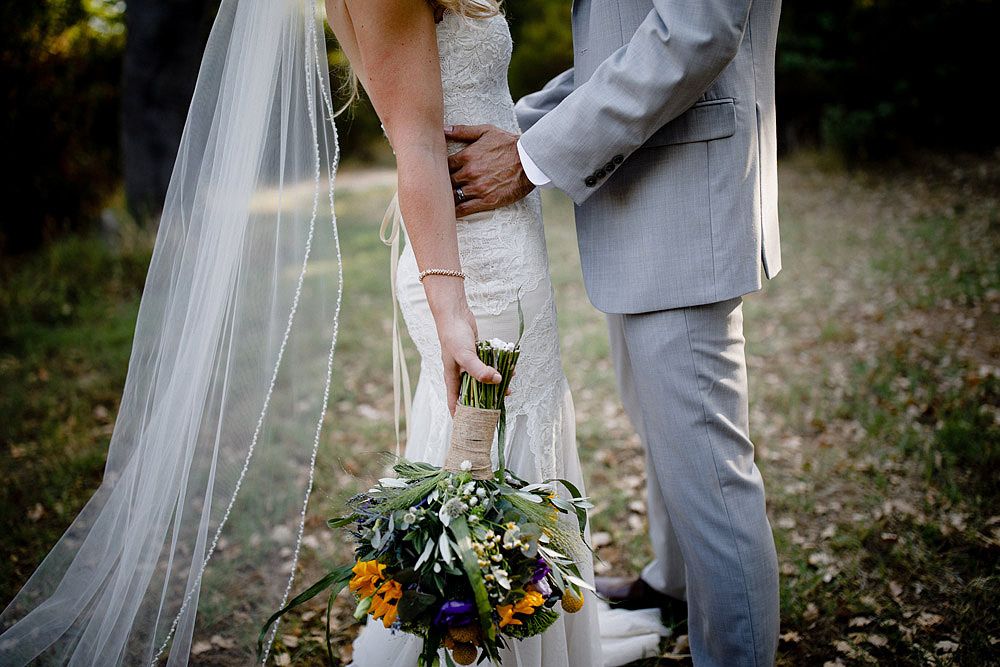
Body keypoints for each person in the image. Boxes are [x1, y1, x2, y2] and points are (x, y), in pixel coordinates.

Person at [443, 0, 784, 665]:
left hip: (684, 195)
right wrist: (515, 127)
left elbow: (695, 31)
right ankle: (676, 587)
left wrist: (532, 156)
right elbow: (623, 48)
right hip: (657, 187)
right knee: (670, 438)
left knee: (709, 473)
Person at [330, 1, 664, 665]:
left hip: (496, 239)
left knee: (510, 441)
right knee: (489, 452)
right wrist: (452, 310)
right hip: (472, 260)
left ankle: (533, 629)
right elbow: (418, 143)